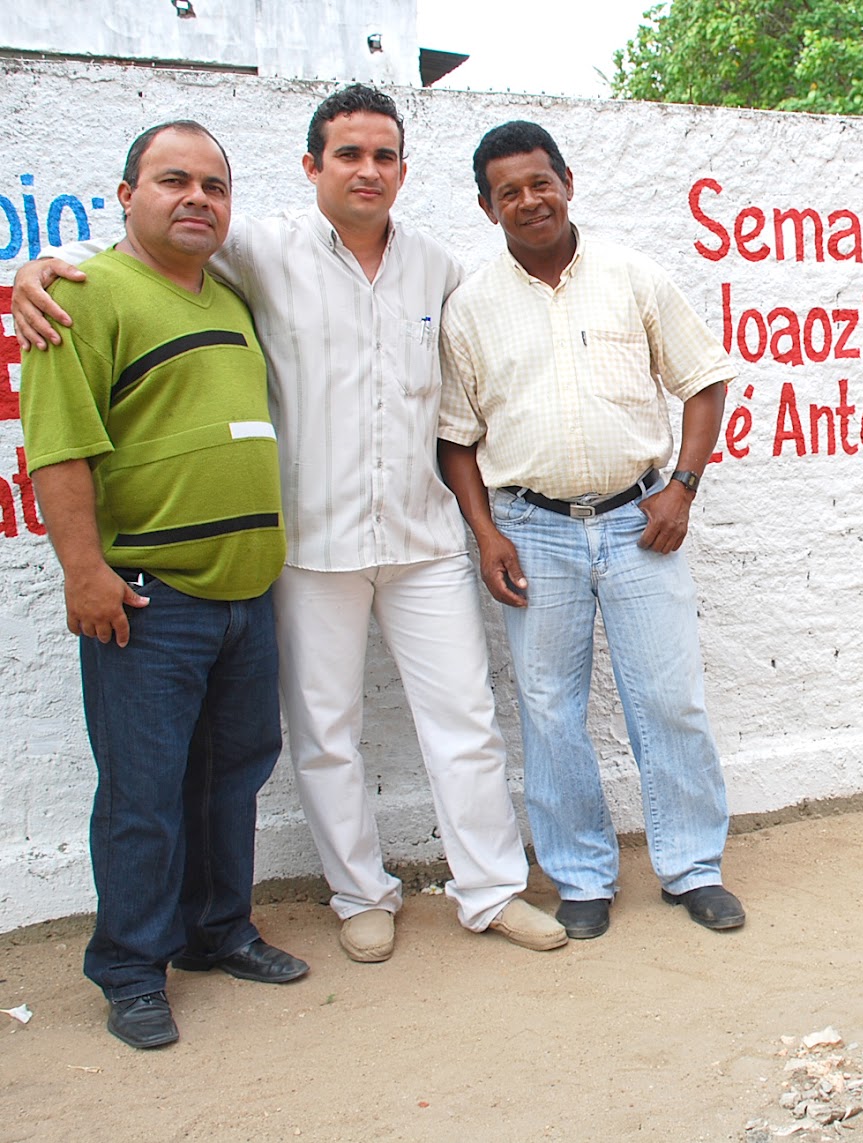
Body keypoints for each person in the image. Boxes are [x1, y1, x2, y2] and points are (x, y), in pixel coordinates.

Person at [12, 86, 566, 963]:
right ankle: (359, 893)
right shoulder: (261, 248)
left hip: (421, 541)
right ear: (312, 166)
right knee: (324, 730)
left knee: (464, 718)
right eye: (348, 154)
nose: (367, 171)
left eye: (384, 156)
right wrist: (41, 268)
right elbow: (150, 244)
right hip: (309, 546)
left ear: (403, 170)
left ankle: (491, 889)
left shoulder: (436, 265)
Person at [20, 121, 307, 1049]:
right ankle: (133, 970)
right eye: (173, 180)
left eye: (214, 186)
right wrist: (84, 571)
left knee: (231, 781)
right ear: (125, 194)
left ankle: (217, 931)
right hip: (148, 598)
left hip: (244, 598)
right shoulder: (84, 294)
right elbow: (60, 446)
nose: (197, 198)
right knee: (143, 793)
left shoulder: (227, 298)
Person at [436, 121, 743, 941]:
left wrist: (682, 486)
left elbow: (704, 381)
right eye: (509, 191)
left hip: (641, 523)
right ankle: (580, 875)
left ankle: (692, 867)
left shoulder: (633, 276)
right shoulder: (469, 307)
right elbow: (455, 438)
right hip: (531, 530)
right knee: (548, 708)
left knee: (668, 699)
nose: (529, 200)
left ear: (567, 180)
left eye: (541, 182)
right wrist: (484, 533)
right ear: (486, 204)